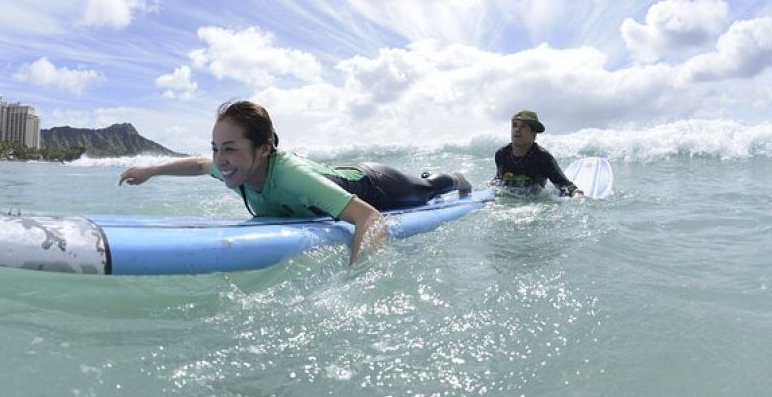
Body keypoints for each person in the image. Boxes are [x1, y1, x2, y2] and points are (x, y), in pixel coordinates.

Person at [119, 100, 473, 264]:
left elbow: (370, 218)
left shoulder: (289, 175)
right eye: (216, 148)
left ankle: (451, 177)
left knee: (426, 193)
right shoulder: (234, 168)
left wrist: (358, 277)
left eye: (229, 148)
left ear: (263, 149)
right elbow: (198, 165)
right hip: (331, 175)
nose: (220, 160)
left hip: (375, 183)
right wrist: (150, 171)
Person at [492, 110, 584, 197]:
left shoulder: (543, 158)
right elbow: (498, 180)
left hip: (534, 203)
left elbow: (564, 184)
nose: (517, 129)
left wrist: (576, 193)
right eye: (514, 125)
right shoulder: (501, 154)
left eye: (523, 126)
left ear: (533, 133)